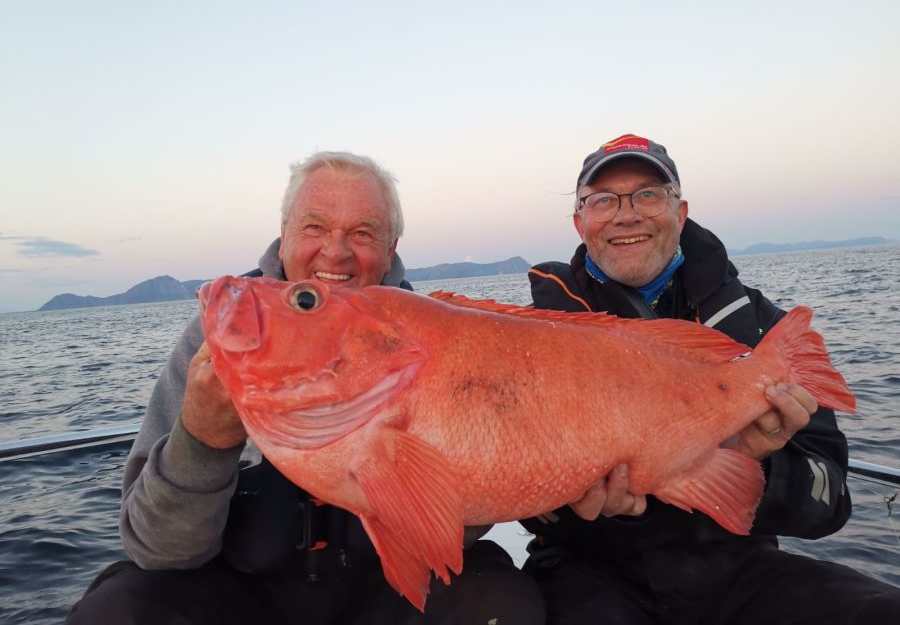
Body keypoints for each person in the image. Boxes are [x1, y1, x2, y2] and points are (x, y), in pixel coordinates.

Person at [68, 152, 545, 625]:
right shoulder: (228, 334)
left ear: (391, 249)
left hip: (391, 586)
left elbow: (455, 533)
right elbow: (158, 550)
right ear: (283, 236)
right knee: (118, 610)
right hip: (243, 589)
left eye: (362, 233)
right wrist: (201, 439)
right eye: (314, 227)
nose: (335, 252)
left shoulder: (434, 341)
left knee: (502, 604)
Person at [522, 134, 900, 624]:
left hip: (740, 569)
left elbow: (832, 502)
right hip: (589, 573)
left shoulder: (765, 332)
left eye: (648, 194)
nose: (626, 213)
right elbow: (516, 488)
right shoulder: (535, 334)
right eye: (603, 200)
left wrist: (755, 466)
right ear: (581, 223)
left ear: (680, 213)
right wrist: (571, 506)